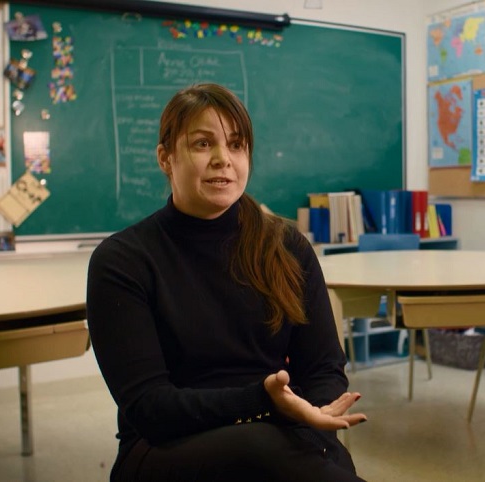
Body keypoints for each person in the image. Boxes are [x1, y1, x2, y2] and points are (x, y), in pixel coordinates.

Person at [86, 83, 367, 481]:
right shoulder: (123, 261)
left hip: (279, 430)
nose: (223, 159)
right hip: (164, 445)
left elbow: (323, 367)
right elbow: (150, 408)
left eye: (236, 145)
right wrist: (266, 402)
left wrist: (313, 412)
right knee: (264, 450)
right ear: (165, 158)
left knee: (323, 456)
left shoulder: (286, 245)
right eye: (203, 144)